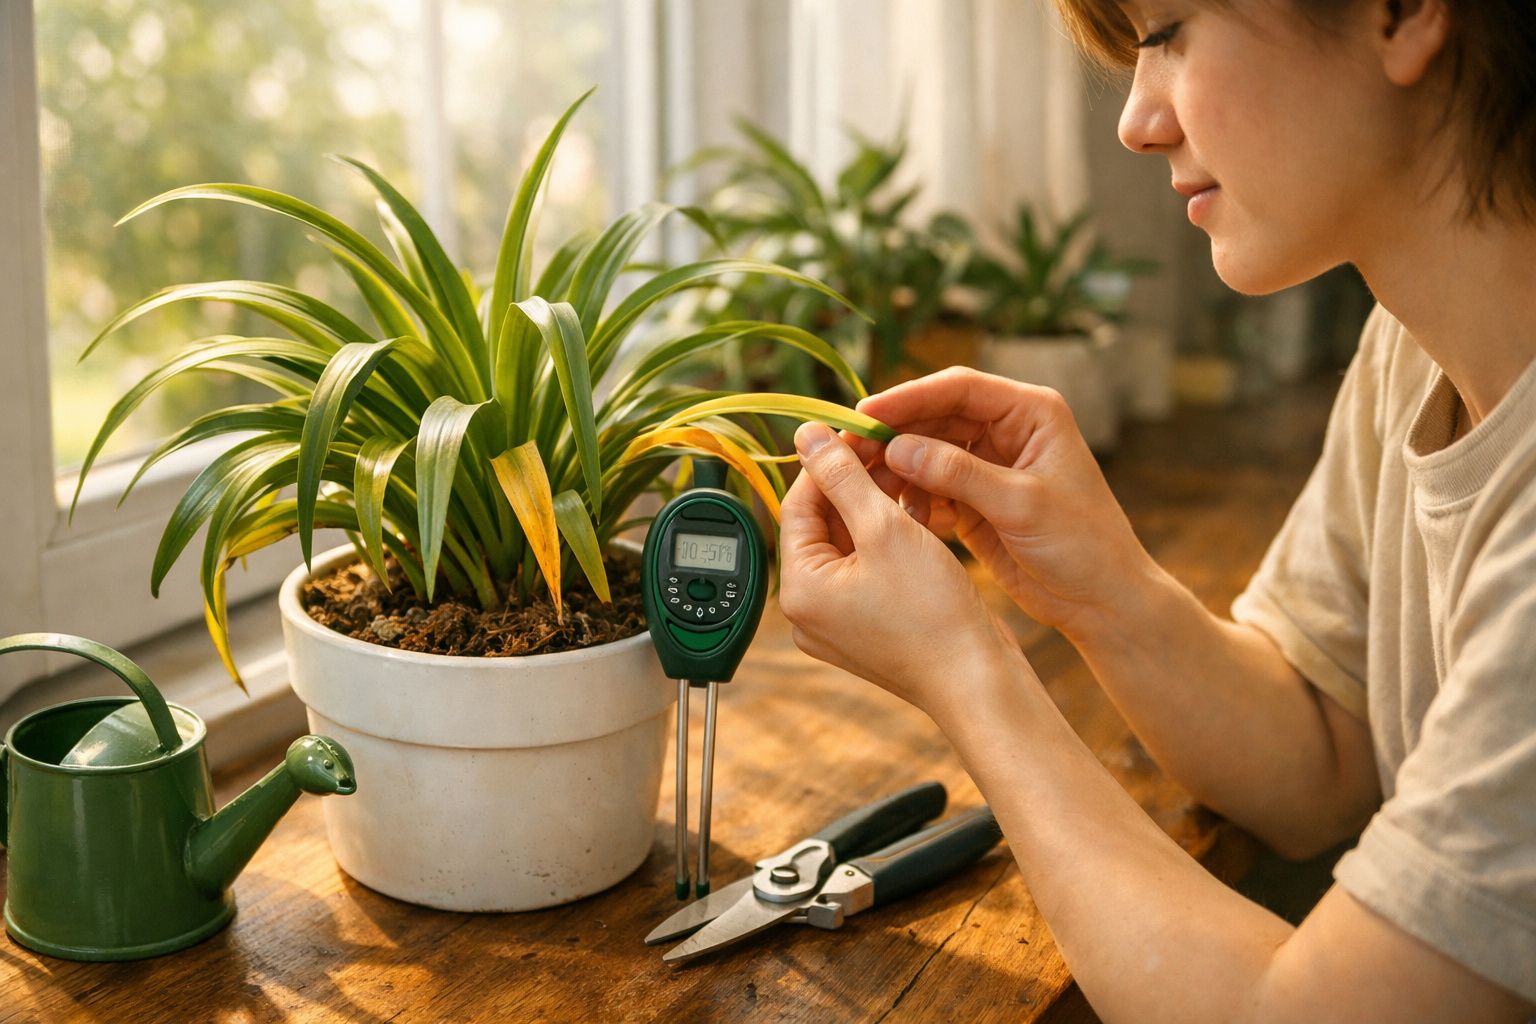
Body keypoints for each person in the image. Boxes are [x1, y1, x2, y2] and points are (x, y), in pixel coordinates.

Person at [777, 0, 1536, 1019]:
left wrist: (968, 671)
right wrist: (1101, 588)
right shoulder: (1418, 348)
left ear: (1401, 14)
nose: (1138, 119)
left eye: (1169, 32)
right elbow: (1324, 750)